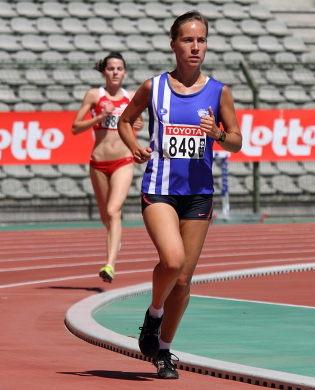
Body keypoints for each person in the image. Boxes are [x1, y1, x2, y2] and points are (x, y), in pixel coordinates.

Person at [118, 12, 242, 379]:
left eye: (201, 40)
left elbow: (236, 140)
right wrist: (135, 146)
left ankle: (164, 352)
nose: (195, 47)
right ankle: (153, 315)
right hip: (159, 189)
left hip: (199, 195)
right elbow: (126, 120)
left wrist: (216, 135)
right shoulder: (153, 87)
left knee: (185, 280)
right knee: (171, 262)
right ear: (174, 44)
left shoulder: (219, 91)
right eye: (188, 40)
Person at [71, 52, 143, 284]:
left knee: (113, 211)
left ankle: (110, 265)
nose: (115, 72)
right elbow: (75, 127)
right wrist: (100, 115)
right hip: (98, 162)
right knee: (106, 217)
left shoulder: (131, 97)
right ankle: (115, 237)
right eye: (110, 68)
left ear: (125, 72)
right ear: (104, 72)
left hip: (123, 160)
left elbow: (136, 125)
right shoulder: (94, 95)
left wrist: (138, 125)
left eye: (119, 68)